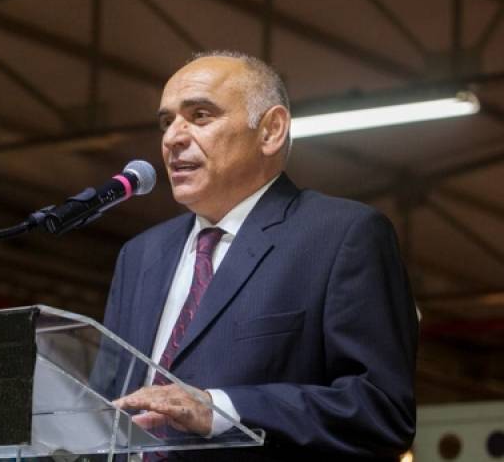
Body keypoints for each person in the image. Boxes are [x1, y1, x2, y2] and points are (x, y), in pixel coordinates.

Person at [104, 51, 418, 461]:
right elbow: (103, 404)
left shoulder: (342, 236)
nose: (173, 138)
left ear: (270, 130)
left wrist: (220, 409)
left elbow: (381, 411)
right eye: (167, 122)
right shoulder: (140, 255)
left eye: (200, 116)